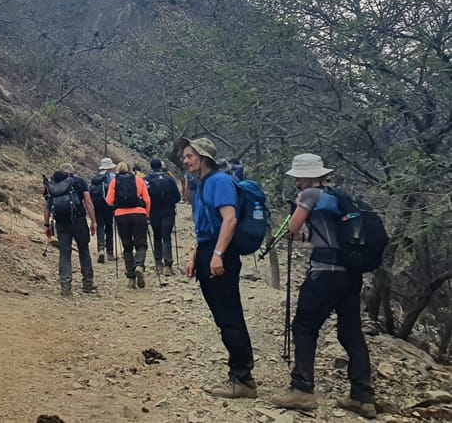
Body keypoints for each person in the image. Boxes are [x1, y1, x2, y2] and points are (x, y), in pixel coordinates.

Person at [270, 154, 376, 418]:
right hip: (350, 274)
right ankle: (362, 396)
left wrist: (296, 208)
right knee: (350, 332)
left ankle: (302, 389)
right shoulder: (339, 197)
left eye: (298, 178)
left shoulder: (310, 196)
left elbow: (293, 229)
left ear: (307, 176)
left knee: (305, 327)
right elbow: (322, 235)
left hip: (324, 273)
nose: (297, 182)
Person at [178, 136, 257, 398]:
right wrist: (194, 256)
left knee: (229, 315)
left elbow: (229, 220)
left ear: (204, 158)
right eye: (185, 156)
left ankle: (242, 379)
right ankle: (238, 374)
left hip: (220, 254)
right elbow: (203, 227)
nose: (185, 160)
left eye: (190, 155)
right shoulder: (202, 185)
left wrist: (217, 254)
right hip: (208, 251)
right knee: (223, 317)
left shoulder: (220, 181)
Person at [43, 163, 98, 296]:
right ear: (73, 171)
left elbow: (47, 207)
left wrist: (46, 226)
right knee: (83, 250)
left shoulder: (53, 184)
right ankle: (87, 283)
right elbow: (88, 202)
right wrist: (93, 221)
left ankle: (65, 288)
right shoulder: (79, 182)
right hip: (78, 220)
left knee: (64, 253)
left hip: (61, 222)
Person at [105, 162, 151, 289]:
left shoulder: (114, 182)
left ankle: (131, 279)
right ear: (129, 170)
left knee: (127, 247)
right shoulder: (138, 180)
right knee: (141, 243)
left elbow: (108, 201)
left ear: (117, 171)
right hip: (139, 214)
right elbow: (147, 200)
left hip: (121, 216)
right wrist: (146, 214)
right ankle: (139, 265)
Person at [145, 158, 181, 275]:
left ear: (151, 166)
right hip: (168, 211)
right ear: (161, 166)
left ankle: (158, 264)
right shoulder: (169, 178)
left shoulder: (148, 180)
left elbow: (144, 197)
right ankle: (168, 265)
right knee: (166, 237)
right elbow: (177, 197)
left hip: (153, 211)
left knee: (156, 236)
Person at [91, 158, 116, 263]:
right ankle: (110, 253)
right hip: (108, 205)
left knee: (100, 226)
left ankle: (101, 249)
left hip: (97, 205)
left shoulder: (95, 177)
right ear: (110, 167)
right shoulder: (112, 177)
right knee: (109, 227)